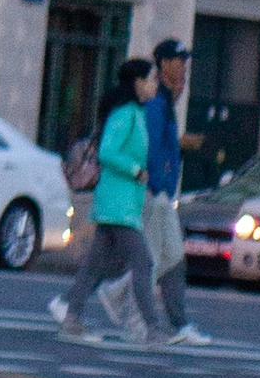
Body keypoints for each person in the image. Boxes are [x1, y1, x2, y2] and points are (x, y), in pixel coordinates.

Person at [49, 55, 172, 344]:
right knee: (143, 262)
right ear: (138, 82)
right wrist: (135, 170)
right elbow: (107, 151)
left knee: (95, 265)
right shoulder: (125, 113)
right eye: (152, 78)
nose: (156, 84)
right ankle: (152, 327)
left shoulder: (137, 113)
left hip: (123, 202)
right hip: (118, 204)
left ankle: (71, 316)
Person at [142, 36, 209, 349]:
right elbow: (151, 149)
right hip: (155, 193)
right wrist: (157, 187)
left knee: (168, 259)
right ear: (164, 64)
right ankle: (75, 302)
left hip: (162, 194)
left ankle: (177, 323)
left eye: (186, 60)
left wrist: (179, 146)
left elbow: (163, 147)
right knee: (149, 261)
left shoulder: (166, 102)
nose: (184, 66)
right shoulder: (157, 103)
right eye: (179, 60)